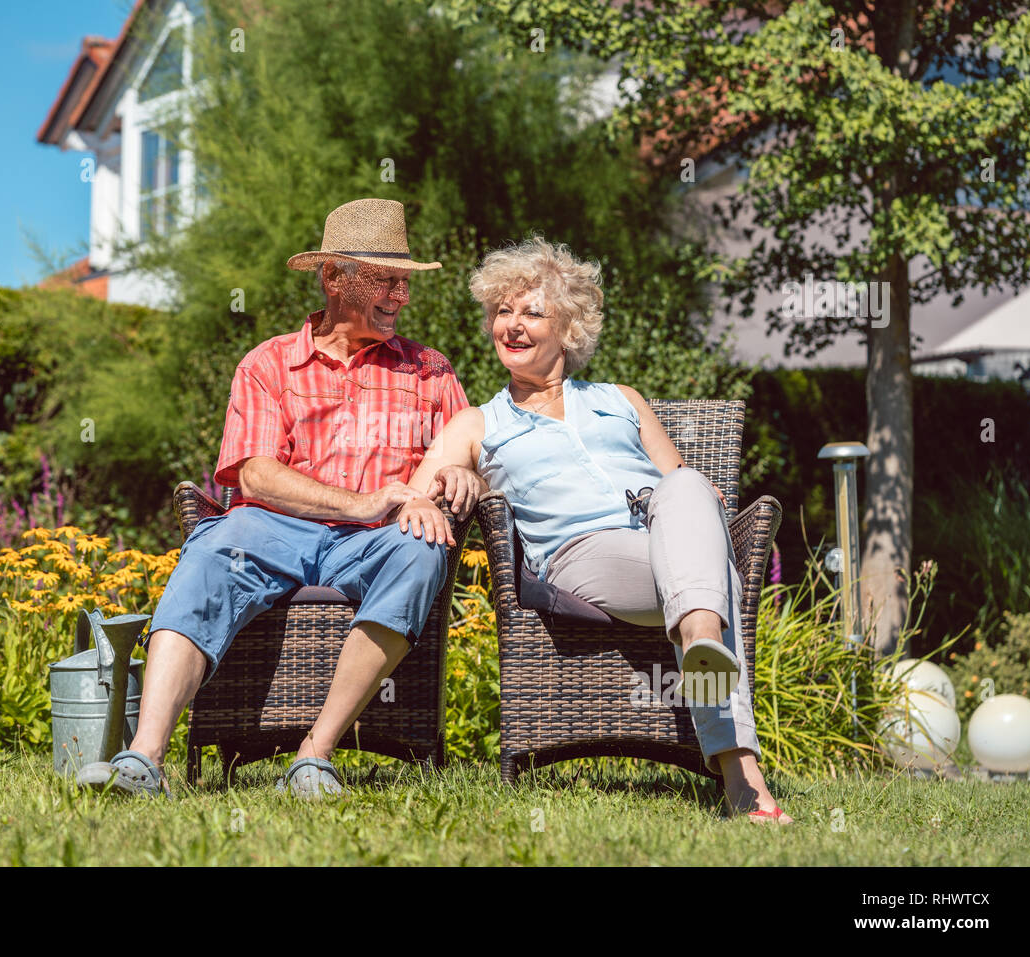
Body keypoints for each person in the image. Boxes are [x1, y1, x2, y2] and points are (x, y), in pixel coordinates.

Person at [77, 198, 484, 799]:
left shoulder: (429, 370)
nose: (401, 295)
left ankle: (314, 755)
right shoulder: (269, 364)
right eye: (387, 280)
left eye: (405, 282)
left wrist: (465, 476)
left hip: (377, 541)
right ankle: (144, 758)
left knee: (420, 553)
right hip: (273, 529)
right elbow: (256, 476)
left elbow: (464, 445)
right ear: (333, 278)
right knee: (211, 554)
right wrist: (357, 503)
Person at [405, 236, 792, 823]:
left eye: (532, 312)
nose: (512, 325)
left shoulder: (623, 401)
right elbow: (419, 494)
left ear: (570, 330)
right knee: (710, 577)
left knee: (687, 486)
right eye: (502, 312)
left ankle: (705, 652)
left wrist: (695, 494)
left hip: (669, 544)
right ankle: (737, 762)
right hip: (582, 557)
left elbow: (684, 485)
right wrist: (462, 479)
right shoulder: (479, 422)